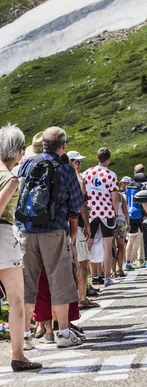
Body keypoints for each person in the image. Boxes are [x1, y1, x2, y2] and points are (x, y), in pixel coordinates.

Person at [17, 126, 84, 349]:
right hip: (54, 231)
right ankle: (63, 333)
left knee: (28, 283)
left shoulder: (26, 164)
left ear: (42, 144)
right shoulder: (65, 169)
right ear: (63, 146)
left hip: (26, 230)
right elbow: (75, 203)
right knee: (60, 280)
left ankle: (25, 336)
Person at [0, 124, 42, 372]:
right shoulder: (10, 178)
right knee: (15, 300)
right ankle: (18, 355)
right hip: (3, 237)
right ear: (17, 151)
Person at [83, 147, 120, 287]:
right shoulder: (111, 175)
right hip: (106, 212)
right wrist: (116, 213)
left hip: (91, 212)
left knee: (88, 243)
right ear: (108, 159)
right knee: (107, 245)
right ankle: (107, 277)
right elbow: (115, 198)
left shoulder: (87, 173)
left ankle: (85, 277)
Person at [67, 150, 98, 309]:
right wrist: (87, 226)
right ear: (70, 162)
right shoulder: (76, 182)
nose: (79, 165)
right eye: (76, 162)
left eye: (79, 162)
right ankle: (81, 297)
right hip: (75, 225)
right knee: (82, 262)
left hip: (62, 226)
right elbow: (82, 207)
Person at [124, 168, 147, 270]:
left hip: (130, 214)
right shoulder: (141, 186)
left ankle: (128, 263)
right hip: (140, 214)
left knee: (130, 240)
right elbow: (144, 202)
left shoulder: (128, 186)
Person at [113, 179, 130, 277]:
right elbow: (125, 211)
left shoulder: (106, 196)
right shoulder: (121, 196)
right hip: (120, 221)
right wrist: (128, 223)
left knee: (111, 247)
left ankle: (112, 271)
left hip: (110, 221)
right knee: (120, 246)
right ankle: (120, 269)